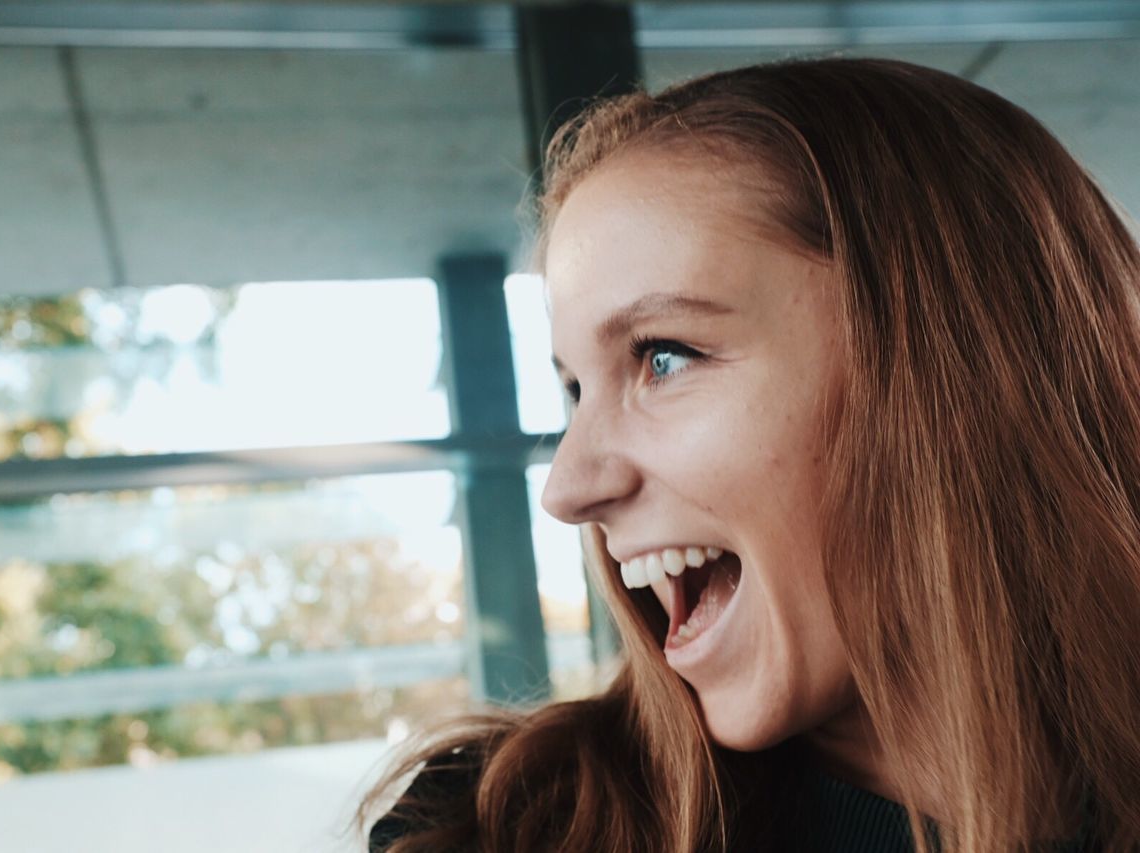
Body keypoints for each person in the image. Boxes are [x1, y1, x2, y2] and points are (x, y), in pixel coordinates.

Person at [361, 56, 1140, 852]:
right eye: (575, 390)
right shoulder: (497, 827)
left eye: (663, 356)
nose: (568, 487)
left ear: (960, 366)